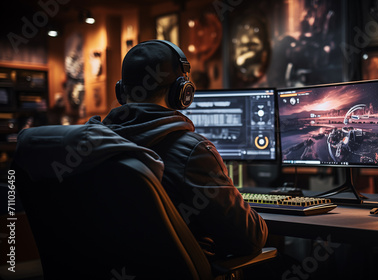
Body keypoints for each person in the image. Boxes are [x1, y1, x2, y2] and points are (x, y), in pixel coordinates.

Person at [87, 40, 268, 259]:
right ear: (183, 91)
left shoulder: (94, 144)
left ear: (121, 92)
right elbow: (250, 239)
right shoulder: (193, 152)